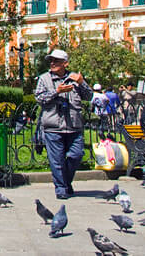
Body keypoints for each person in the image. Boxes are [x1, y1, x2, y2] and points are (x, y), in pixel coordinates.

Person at [34, 48, 93, 199]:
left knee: (76, 155)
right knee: (57, 160)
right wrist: (57, 92)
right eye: (51, 61)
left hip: (74, 125)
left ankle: (65, 182)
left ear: (65, 63)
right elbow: (40, 99)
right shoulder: (44, 79)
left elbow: (89, 96)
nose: (52, 63)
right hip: (53, 126)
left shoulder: (75, 78)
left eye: (56, 61)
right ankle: (61, 188)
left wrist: (82, 82)